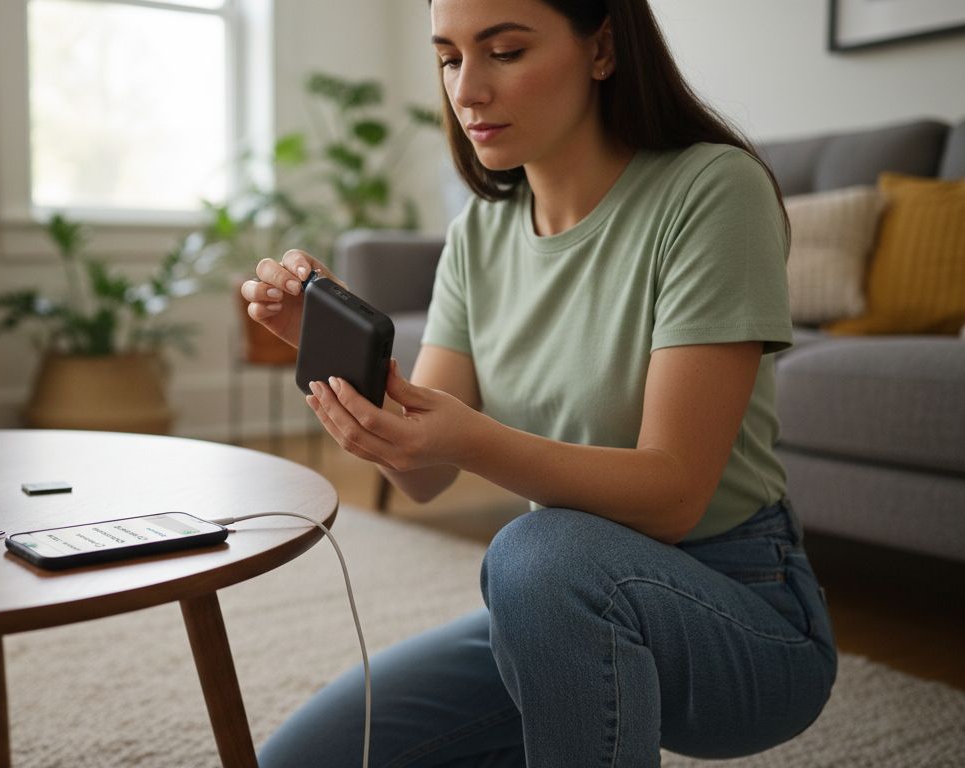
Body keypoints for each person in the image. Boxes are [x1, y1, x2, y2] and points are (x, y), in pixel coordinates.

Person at [242, 0, 838, 765]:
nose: (467, 91)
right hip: (553, 604)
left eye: (506, 52)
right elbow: (422, 475)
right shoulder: (479, 234)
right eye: (450, 57)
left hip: (741, 610)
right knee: (305, 760)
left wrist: (474, 438)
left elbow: (675, 492)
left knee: (534, 551)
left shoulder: (713, 191)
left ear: (601, 49)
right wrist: (332, 360)